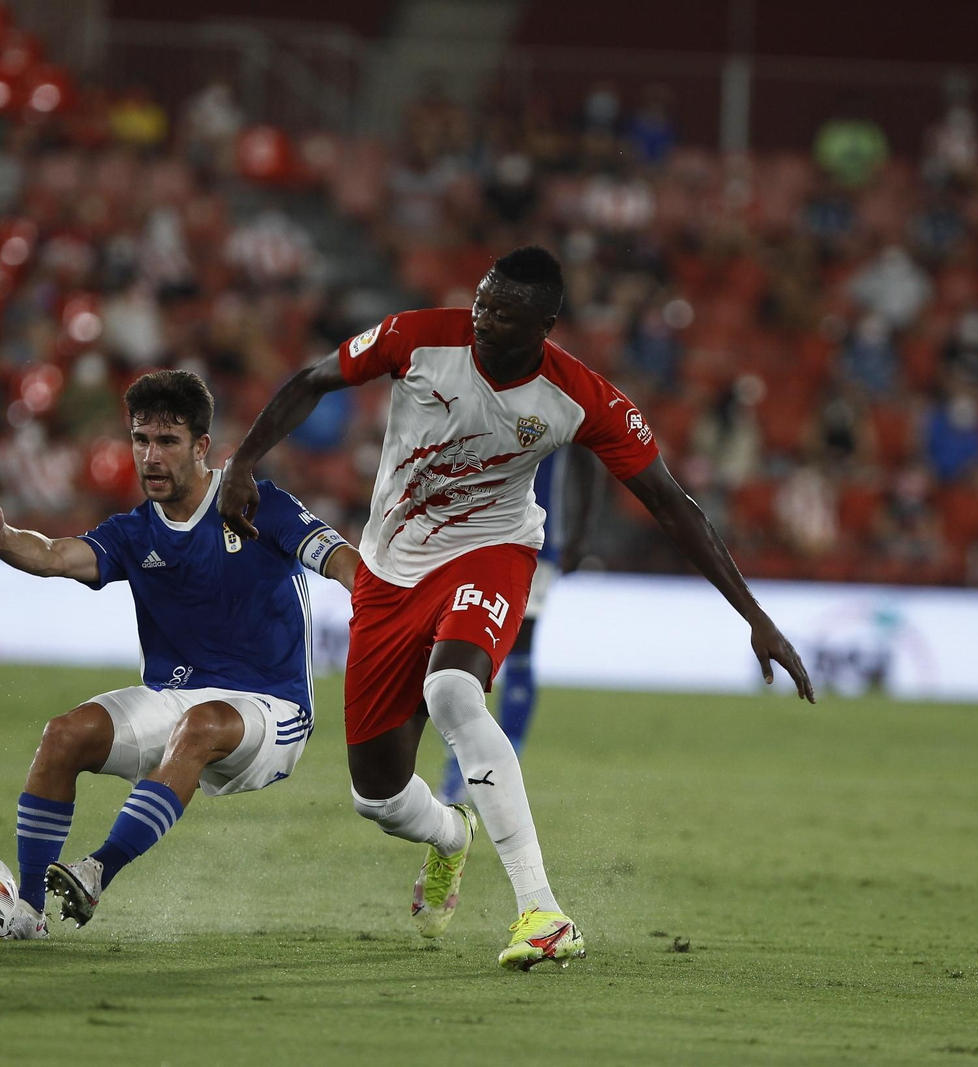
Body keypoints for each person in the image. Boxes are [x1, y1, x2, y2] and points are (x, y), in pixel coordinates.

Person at [218, 246, 815, 970]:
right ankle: (450, 834)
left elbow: (670, 502)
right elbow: (314, 379)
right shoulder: (417, 336)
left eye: (502, 312)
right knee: (375, 796)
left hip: (491, 552)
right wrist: (245, 460)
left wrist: (754, 614)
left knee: (451, 687)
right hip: (391, 567)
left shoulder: (579, 396)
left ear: (544, 325)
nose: (482, 316)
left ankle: (542, 909)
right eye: (481, 299)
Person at [0, 369, 359, 939]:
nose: (151, 456)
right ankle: (29, 912)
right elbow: (57, 555)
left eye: (167, 441)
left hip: (273, 709)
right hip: (178, 698)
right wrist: (5, 537)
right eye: (141, 440)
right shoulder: (134, 532)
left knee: (199, 723)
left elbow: (342, 561)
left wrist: (385, 610)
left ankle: (98, 870)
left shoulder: (257, 504)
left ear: (202, 447)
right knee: (63, 735)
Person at [437, 446, 597, 806]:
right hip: (478, 540)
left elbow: (589, 460)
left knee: (511, 649)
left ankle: (495, 769)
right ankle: (463, 768)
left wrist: (579, 534)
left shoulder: (561, 397)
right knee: (462, 653)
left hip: (537, 541)